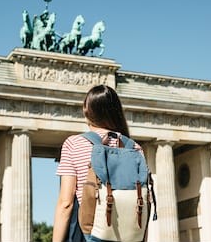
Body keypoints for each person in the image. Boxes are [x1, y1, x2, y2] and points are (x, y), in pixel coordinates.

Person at [52, 85, 143, 242]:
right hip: (129, 235)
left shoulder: (74, 144)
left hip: (92, 231)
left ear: (87, 111)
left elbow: (66, 204)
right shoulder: (135, 148)